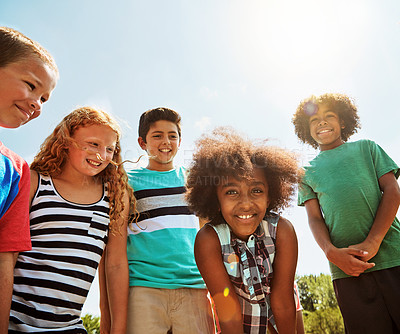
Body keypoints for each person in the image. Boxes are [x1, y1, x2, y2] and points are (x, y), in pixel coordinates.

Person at [8, 107, 132, 334]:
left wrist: (118, 329)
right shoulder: (35, 182)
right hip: (14, 320)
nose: (101, 155)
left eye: (109, 149)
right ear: (65, 140)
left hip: (68, 326)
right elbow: (9, 253)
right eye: (93, 144)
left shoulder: (115, 196)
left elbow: (115, 264)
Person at [292, 93, 400, 333]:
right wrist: (332, 253)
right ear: (305, 129)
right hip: (346, 271)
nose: (321, 122)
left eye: (329, 116)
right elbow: (314, 218)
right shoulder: (306, 173)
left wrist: (373, 241)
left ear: (343, 122)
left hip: (394, 258)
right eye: (314, 120)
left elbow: (392, 191)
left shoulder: (367, 148)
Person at [186, 127, 302, 334]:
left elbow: (282, 299)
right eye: (232, 192)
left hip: (282, 320)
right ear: (215, 198)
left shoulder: (282, 231)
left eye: (256, 190)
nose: (246, 204)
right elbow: (226, 305)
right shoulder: (208, 240)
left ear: (270, 195)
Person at [125, 107, 215, 334]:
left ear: (179, 140)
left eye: (172, 136)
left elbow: (208, 232)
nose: (166, 141)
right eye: (157, 136)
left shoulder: (193, 180)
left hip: (193, 287)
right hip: (144, 286)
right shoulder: (127, 182)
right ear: (142, 142)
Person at [0, 26, 58, 333]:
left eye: (45, 98)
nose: (37, 103)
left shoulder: (17, 170)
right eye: (30, 85)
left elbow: (5, 256)